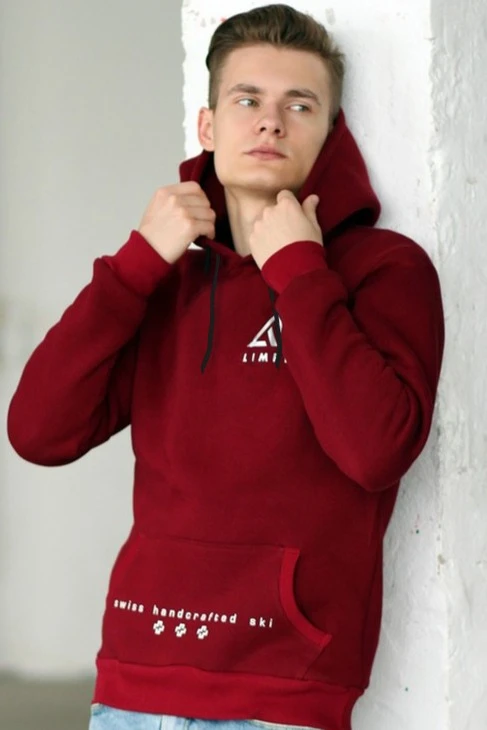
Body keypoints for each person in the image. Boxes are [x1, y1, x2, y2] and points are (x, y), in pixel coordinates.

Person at [6, 4, 445, 730]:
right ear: (207, 126)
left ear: (330, 133)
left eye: (298, 105)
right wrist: (134, 265)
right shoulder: (164, 281)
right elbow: (38, 431)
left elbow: (376, 451)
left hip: (281, 695)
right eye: (247, 100)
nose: (270, 122)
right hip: (134, 685)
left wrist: (298, 271)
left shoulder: (382, 270)